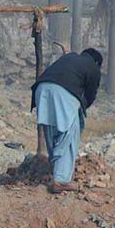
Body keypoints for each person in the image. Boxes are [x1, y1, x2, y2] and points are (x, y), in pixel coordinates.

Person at [31, 48, 103, 193]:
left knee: (51, 129)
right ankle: (61, 180)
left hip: (41, 89)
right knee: (70, 133)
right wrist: (82, 108)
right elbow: (90, 95)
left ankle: (55, 166)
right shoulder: (93, 67)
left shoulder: (70, 57)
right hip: (63, 93)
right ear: (97, 62)